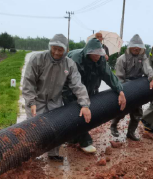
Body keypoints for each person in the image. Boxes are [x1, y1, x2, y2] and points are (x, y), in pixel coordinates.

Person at [23, 34, 92, 162]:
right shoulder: (38, 59)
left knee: (56, 128)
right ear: (50, 47)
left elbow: (77, 85)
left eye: (60, 50)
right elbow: (28, 82)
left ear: (66, 50)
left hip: (55, 100)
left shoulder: (69, 64)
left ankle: (53, 153)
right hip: (37, 100)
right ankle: (31, 156)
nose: (56, 52)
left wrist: (85, 105)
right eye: (54, 48)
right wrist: (31, 101)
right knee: (34, 128)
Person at [63, 38, 126, 153]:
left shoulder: (100, 60)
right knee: (76, 112)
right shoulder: (76, 60)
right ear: (88, 52)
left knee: (88, 109)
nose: (98, 56)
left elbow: (109, 76)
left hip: (89, 87)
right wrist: (82, 103)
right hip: (70, 89)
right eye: (95, 54)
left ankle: (72, 138)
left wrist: (120, 91)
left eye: (100, 54)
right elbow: (74, 83)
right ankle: (85, 142)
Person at [111, 34, 153, 141]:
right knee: (121, 111)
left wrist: (152, 78)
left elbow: (148, 68)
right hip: (124, 87)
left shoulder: (143, 58)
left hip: (137, 88)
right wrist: (122, 91)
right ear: (129, 47)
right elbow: (119, 78)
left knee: (137, 113)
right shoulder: (121, 59)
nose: (136, 48)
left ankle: (131, 133)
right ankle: (113, 125)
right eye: (134, 46)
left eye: (139, 46)